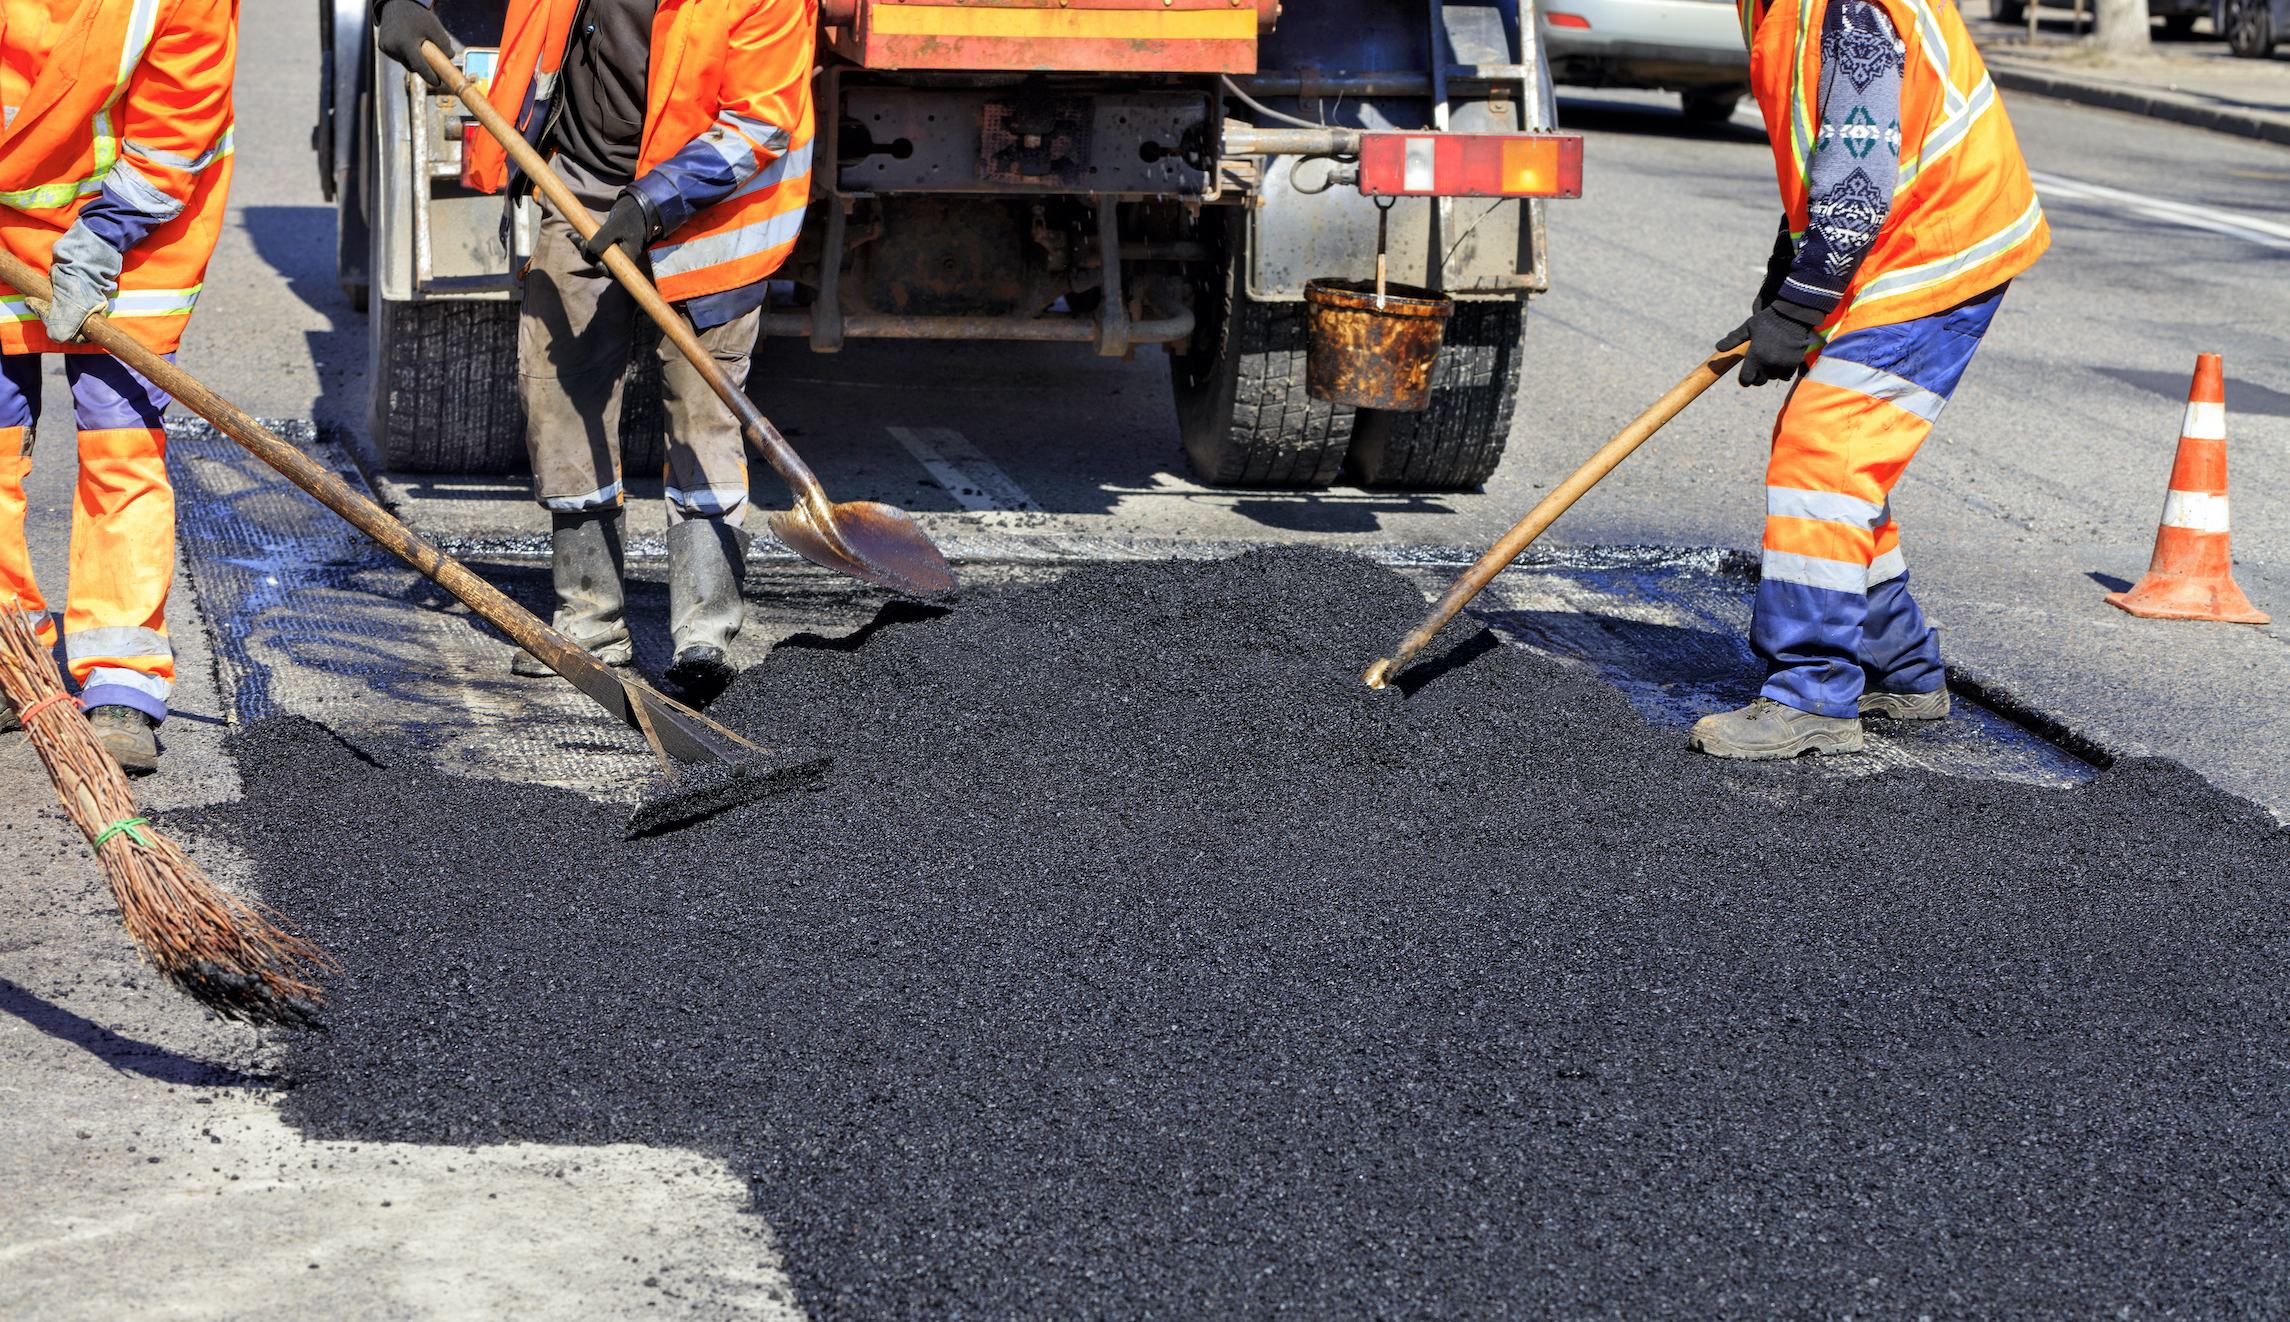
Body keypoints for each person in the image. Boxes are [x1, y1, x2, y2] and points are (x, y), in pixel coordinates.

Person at [376, 0, 816, 699]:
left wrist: (651, 205)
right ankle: (590, 620)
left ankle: (705, 632)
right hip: (577, 181)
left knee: (703, 413)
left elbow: (761, 121)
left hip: (712, 212)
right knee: (559, 392)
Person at [1688, 0, 2048, 760]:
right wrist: (1782, 287)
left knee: (1824, 450)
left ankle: (1812, 695)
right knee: (1837, 458)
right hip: (1906, 238)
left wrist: (1801, 307)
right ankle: (1902, 670)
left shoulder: (1849, 8)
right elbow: (1828, 158)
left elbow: (1858, 183)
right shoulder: (1783, 5)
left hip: (1939, 246)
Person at [0, 0, 239, 773]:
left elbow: (179, 119)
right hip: (4, 220)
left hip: (136, 227)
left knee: (120, 434)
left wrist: (102, 237)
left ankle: (121, 681)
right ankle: (10, 656)